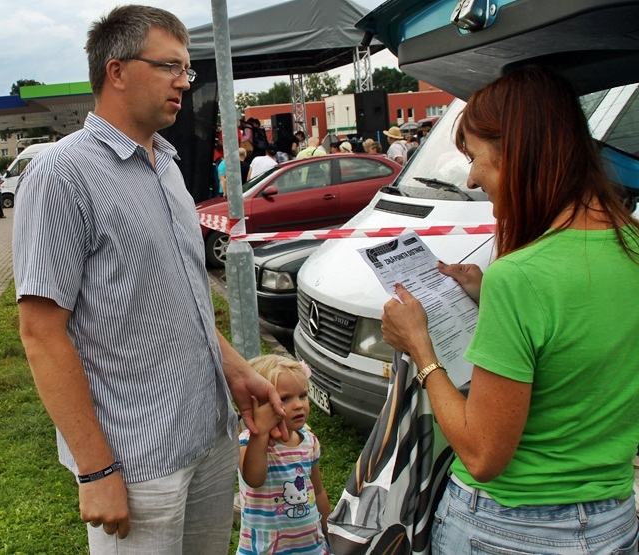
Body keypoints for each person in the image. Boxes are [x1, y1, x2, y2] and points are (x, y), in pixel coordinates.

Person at [12, 5, 287, 555]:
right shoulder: (61, 174)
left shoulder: (166, 162)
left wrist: (235, 370)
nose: (185, 83)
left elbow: (177, 297)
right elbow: (42, 335)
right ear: (116, 72)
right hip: (136, 459)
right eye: (171, 67)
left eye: (188, 70)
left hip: (206, 439)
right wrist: (95, 470)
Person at [380, 66, 639, 554]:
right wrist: (486, 295)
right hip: (613, 518)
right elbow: (582, 344)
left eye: (477, 158)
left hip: (507, 528)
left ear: (519, 154)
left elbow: (482, 454)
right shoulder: (631, 244)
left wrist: (421, 349)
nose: (473, 178)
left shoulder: (520, 276)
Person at [237, 355, 330, 555]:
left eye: (303, 395)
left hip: (310, 546)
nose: (298, 405)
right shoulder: (248, 443)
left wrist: (329, 531)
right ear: (259, 404)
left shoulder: (309, 442)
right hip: (266, 548)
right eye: (285, 399)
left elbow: (318, 490)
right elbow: (253, 478)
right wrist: (260, 433)